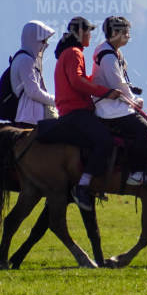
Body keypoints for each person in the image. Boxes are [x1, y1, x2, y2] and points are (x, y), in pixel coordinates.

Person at [48, 16, 114, 211]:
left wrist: (100, 80)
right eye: (88, 32)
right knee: (105, 140)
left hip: (70, 111)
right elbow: (77, 82)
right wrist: (106, 92)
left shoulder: (67, 53)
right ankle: (84, 185)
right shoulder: (75, 53)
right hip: (76, 112)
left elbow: (81, 80)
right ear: (79, 33)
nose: (90, 36)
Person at [93, 15, 147, 187]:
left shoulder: (112, 51)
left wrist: (133, 97)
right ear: (114, 33)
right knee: (143, 129)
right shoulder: (108, 56)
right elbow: (118, 84)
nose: (128, 35)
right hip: (109, 107)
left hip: (118, 102)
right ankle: (135, 172)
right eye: (125, 32)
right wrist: (135, 100)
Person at [11, 20, 59, 125]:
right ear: (33, 39)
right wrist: (57, 101)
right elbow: (33, 92)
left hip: (30, 117)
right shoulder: (26, 60)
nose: (46, 45)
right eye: (43, 41)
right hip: (30, 118)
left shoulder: (23, 58)